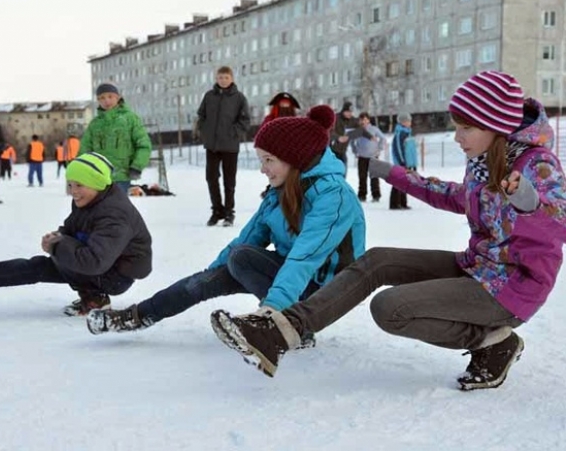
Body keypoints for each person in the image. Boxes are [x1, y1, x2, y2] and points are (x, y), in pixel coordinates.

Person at [211, 71, 566, 392]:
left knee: (390, 308)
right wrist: (394, 174)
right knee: (378, 260)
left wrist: (529, 203)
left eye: (466, 128)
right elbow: (459, 197)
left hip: (514, 287)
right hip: (478, 267)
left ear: (496, 126)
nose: (457, 137)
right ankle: (283, 330)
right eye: (455, 126)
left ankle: (493, 342)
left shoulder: (537, 165)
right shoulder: (484, 161)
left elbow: (559, 216)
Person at [85, 105, 366, 339]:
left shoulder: (334, 196)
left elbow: (304, 258)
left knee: (242, 258)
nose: (262, 169)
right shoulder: (279, 193)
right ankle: (137, 316)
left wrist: (271, 311)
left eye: (269, 160)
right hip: (295, 281)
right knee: (227, 264)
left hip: (327, 292)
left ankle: (287, 327)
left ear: (295, 159)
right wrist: (210, 278)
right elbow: (247, 239)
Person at [0, 152, 153, 316]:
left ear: (97, 183)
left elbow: (94, 262)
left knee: (41, 265)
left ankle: (94, 295)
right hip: (102, 267)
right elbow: (71, 229)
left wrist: (58, 246)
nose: (73, 191)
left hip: (114, 277)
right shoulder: (92, 198)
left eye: (80, 185)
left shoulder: (114, 215)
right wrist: (57, 238)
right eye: (70, 184)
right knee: (36, 267)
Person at [197, 66, 251, 227]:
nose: (223, 80)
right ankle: (216, 211)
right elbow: (201, 115)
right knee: (211, 178)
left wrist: (233, 132)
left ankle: (229, 213)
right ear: (216, 78)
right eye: (220, 77)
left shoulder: (239, 98)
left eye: (226, 77)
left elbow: (245, 120)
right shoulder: (209, 96)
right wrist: (205, 131)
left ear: (232, 79)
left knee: (229, 181)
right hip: (212, 145)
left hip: (230, 146)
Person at [80, 83, 151, 193]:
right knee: (99, 209)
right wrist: (79, 170)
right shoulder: (95, 124)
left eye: (110, 96)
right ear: (98, 101)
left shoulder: (130, 119)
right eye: (102, 98)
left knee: (116, 208)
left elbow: (143, 145)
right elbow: (85, 149)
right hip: (98, 177)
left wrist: (137, 165)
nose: (106, 101)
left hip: (121, 176)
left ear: (118, 98)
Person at [330, 101, 374, 179]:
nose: (349, 114)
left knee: (344, 172)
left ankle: (342, 187)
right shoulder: (336, 118)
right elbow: (330, 131)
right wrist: (338, 138)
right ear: (343, 111)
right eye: (347, 112)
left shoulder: (353, 120)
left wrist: (370, 137)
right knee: (333, 173)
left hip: (342, 151)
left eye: (351, 112)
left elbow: (361, 130)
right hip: (331, 151)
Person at [351, 112, 385, 202]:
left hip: (373, 156)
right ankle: (362, 195)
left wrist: (380, 148)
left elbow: (383, 138)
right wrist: (355, 150)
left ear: (368, 120)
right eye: (361, 120)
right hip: (362, 156)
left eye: (365, 119)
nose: (363, 121)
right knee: (362, 177)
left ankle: (376, 195)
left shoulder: (374, 129)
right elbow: (352, 141)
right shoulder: (358, 130)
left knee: (374, 176)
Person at [389, 112, 417, 210]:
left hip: (407, 163)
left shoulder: (408, 134)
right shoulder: (400, 134)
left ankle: (403, 203)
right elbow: (398, 149)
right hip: (401, 163)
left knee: (405, 183)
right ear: (402, 122)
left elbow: (412, 151)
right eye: (408, 121)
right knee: (397, 182)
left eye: (410, 120)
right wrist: (401, 161)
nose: (410, 122)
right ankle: (394, 203)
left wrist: (413, 163)